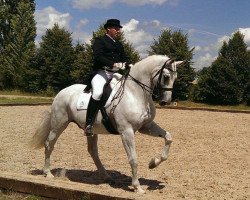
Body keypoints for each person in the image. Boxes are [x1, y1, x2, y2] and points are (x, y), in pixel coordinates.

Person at [84, 19, 129, 137]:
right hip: (102, 72)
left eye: (119, 29)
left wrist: (128, 64)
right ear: (108, 28)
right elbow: (98, 56)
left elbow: (124, 58)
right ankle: (88, 124)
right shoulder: (99, 40)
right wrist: (113, 64)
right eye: (116, 28)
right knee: (98, 93)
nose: (118, 31)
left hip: (115, 74)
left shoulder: (118, 44)